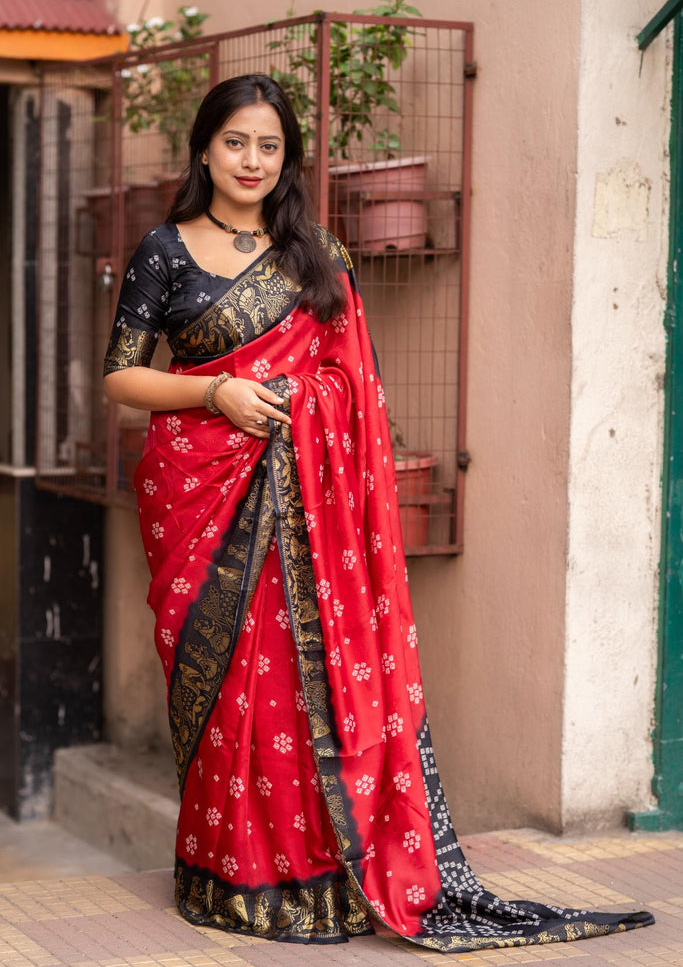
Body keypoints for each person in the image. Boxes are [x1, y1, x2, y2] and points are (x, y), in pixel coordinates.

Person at [103, 74, 654, 952]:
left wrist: (284, 400)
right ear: (204, 148)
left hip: (299, 501)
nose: (251, 160)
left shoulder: (317, 255)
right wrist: (217, 392)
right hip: (199, 498)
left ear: (288, 160)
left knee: (289, 689)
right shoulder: (163, 252)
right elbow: (121, 376)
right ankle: (223, 876)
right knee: (224, 693)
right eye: (236, 142)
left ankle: (317, 880)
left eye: (269, 146)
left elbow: (348, 390)